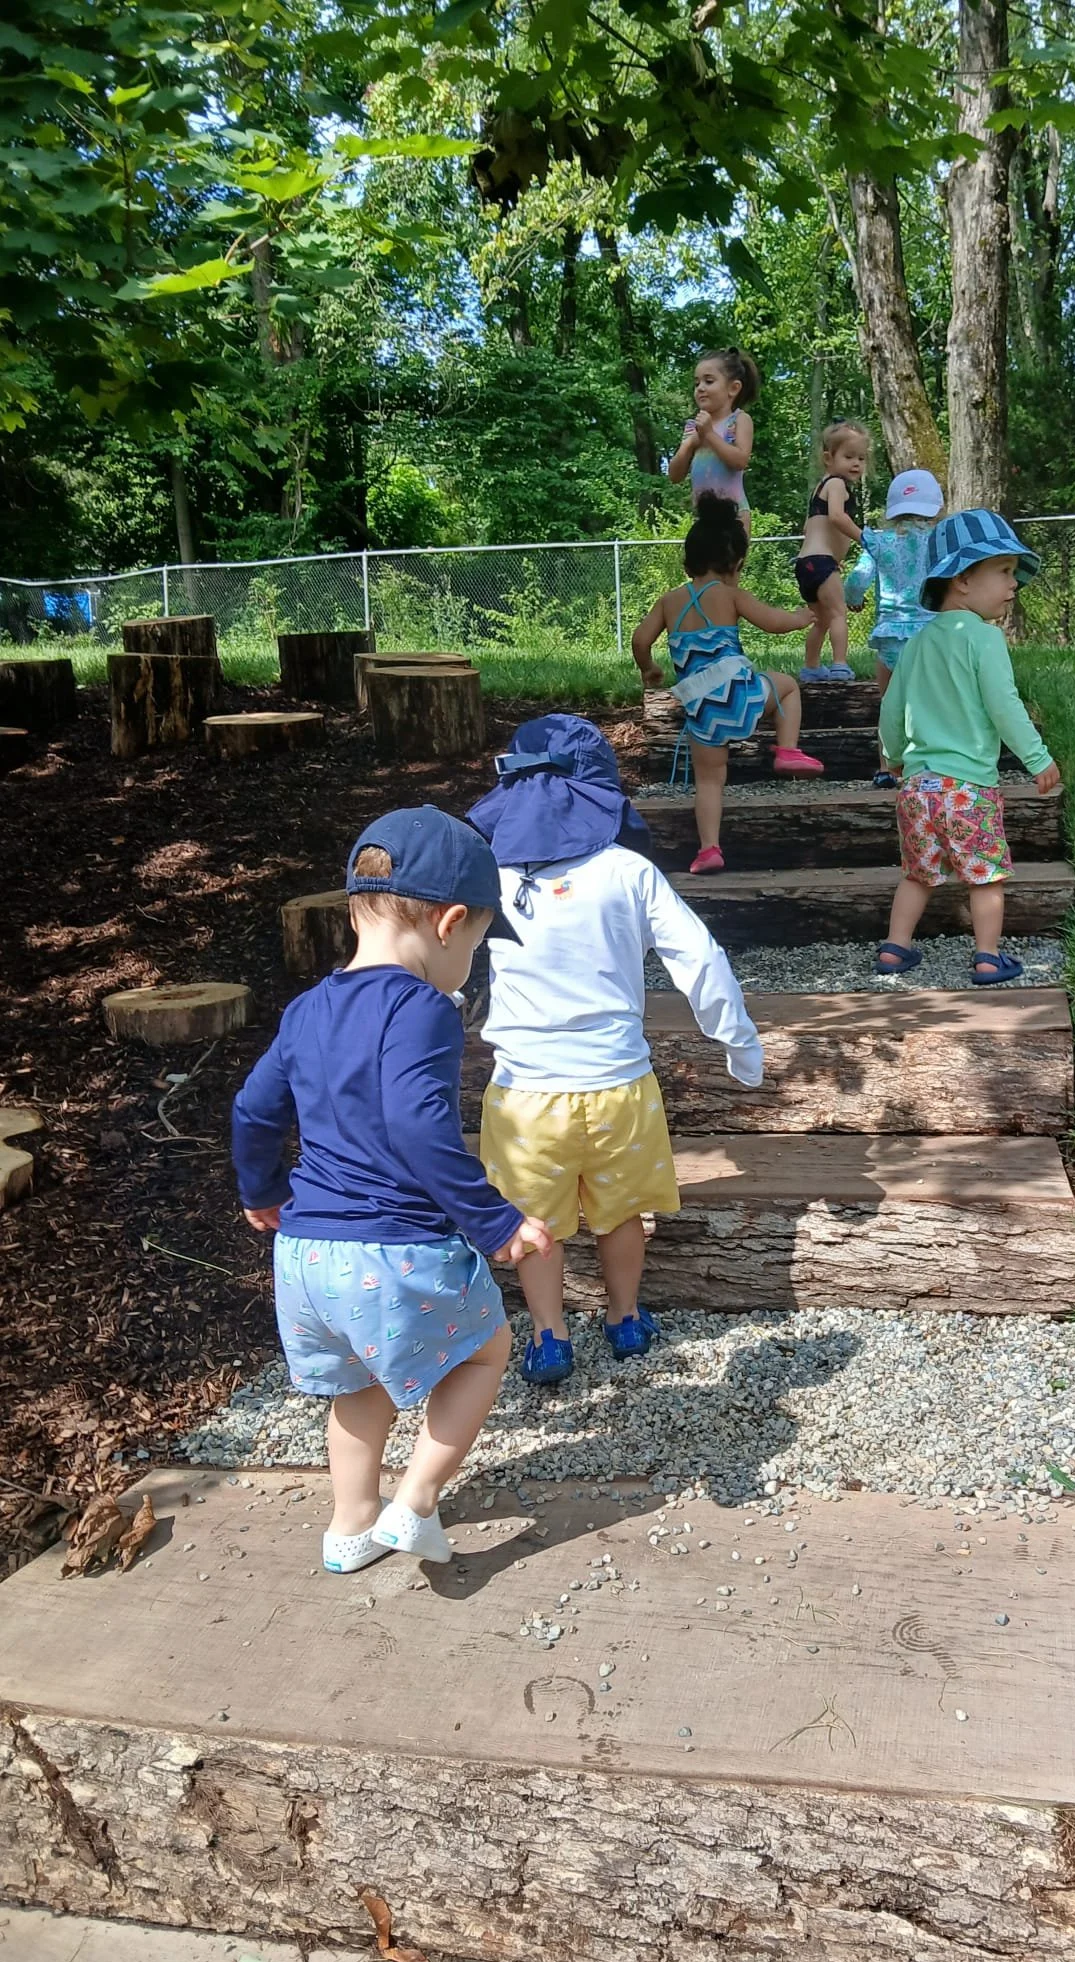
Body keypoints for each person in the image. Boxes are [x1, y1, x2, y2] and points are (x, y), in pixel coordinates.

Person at [231, 807, 554, 1573]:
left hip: (305, 1254)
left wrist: (261, 1187)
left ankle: (348, 1529)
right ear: (449, 924)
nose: (472, 960)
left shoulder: (307, 1008)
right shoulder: (423, 1010)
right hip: (393, 1249)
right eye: (478, 942)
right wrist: (495, 1222)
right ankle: (415, 1502)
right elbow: (419, 1127)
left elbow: (252, 1108)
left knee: (358, 1380)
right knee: (485, 1351)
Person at [468, 716, 764, 1386]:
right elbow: (701, 960)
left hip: (523, 1098)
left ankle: (549, 1336)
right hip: (619, 1089)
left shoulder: (494, 873)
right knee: (624, 1211)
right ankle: (625, 1318)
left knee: (534, 1221)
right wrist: (739, 1046)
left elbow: (450, 964)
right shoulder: (630, 871)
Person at [875, 509, 1063, 987]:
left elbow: (892, 711)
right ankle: (986, 957)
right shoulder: (984, 638)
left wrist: (892, 757)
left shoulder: (915, 645)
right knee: (985, 877)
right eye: (1002, 571)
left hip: (917, 788)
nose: (1013, 583)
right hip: (968, 790)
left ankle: (896, 949)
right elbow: (1004, 705)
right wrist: (1038, 758)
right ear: (960, 579)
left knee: (916, 874)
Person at [631, 493, 823, 876]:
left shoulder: (669, 601)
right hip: (739, 692)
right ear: (735, 563)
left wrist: (649, 668)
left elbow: (640, 639)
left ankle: (709, 849)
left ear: (689, 560)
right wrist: (804, 616)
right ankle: (786, 750)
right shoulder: (731, 595)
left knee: (709, 780)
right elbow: (774, 622)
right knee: (786, 686)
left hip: (699, 707)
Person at [844, 467, 945, 786]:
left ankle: (887, 769)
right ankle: (931, 764)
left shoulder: (880, 541)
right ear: (935, 507)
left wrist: (853, 599)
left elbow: (857, 580)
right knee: (932, 703)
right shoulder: (940, 543)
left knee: (890, 706)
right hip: (932, 635)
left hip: (891, 637)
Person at [795, 420, 871, 682]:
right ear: (828, 458)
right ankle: (839, 664)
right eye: (848, 456)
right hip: (822, 562)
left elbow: (809, 527)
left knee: (822, 619)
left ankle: (811, 667)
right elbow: (838, 517)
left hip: (806, 563)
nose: (856, 464)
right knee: (838, 614)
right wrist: (864, 538)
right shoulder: (837, 484)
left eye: (861, 458)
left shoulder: (820, 487)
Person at [665, 346, 758, 529]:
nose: (700, 388)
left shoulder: (739, 420)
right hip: (702, 518)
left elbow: (740, 460)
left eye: (708, 381)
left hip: (734, 516)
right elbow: (674, 476)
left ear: (733, 388)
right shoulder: (693, 427)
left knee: (728, 558)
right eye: (697, 383)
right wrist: (689, 444)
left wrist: (709, 434)